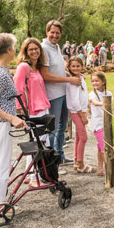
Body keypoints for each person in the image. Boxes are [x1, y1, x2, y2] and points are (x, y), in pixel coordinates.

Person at [0, 33, 27, 214]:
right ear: (9, 50)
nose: (15, 51)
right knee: (1, 164)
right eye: (14, 47)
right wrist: (11, 117)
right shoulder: (0, 74)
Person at [40, 20, 81, 174]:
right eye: (52, 32)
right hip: (53, 95)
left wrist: (70, 75)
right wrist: (68, 80)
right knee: (52, 129)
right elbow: (46, 75)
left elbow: (57, 70)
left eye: (58, 33)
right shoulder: (44, 48)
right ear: (47, 32)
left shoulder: (56, 47)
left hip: (63, 93)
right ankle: (52, 165)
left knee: (62, 127)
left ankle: (60, 156)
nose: (55, 35)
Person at [14, 37, 51, 187]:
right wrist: (21, 108)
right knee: (37, 143)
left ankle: (31, 175)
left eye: (36, 49)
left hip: (43, 108)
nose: (34, 51)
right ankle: (35, 178)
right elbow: (18, 88)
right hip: (33, 110)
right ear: (25, 52)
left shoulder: (37, 67)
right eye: (31, 49)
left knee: (39, 142)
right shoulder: (24, 67)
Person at [65, 56, 95, 173]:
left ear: (82, 66)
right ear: (69, 67)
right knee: (83, 137)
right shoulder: (73, 81)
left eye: (78, 66)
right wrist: (82, 115)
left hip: (81, 110)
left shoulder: (81, 78)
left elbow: (83, 94)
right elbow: (74, 101)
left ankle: (76, 161)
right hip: (76, 111)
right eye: (73, 66)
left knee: (78, 136)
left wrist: (87, 106)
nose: (76, 68)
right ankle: (81, 164)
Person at [89, 71, 114, 180]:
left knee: (100, 147)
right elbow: (95, 102)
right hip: (98, 125)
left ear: (103, 82)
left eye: (97, 81)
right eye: (92, 81)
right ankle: (109, 171)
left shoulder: (108, 93)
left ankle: (100, 168)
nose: (94, 83)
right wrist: (104, 103)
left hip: (106, 123)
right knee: (104, 148)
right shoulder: (92, 94)